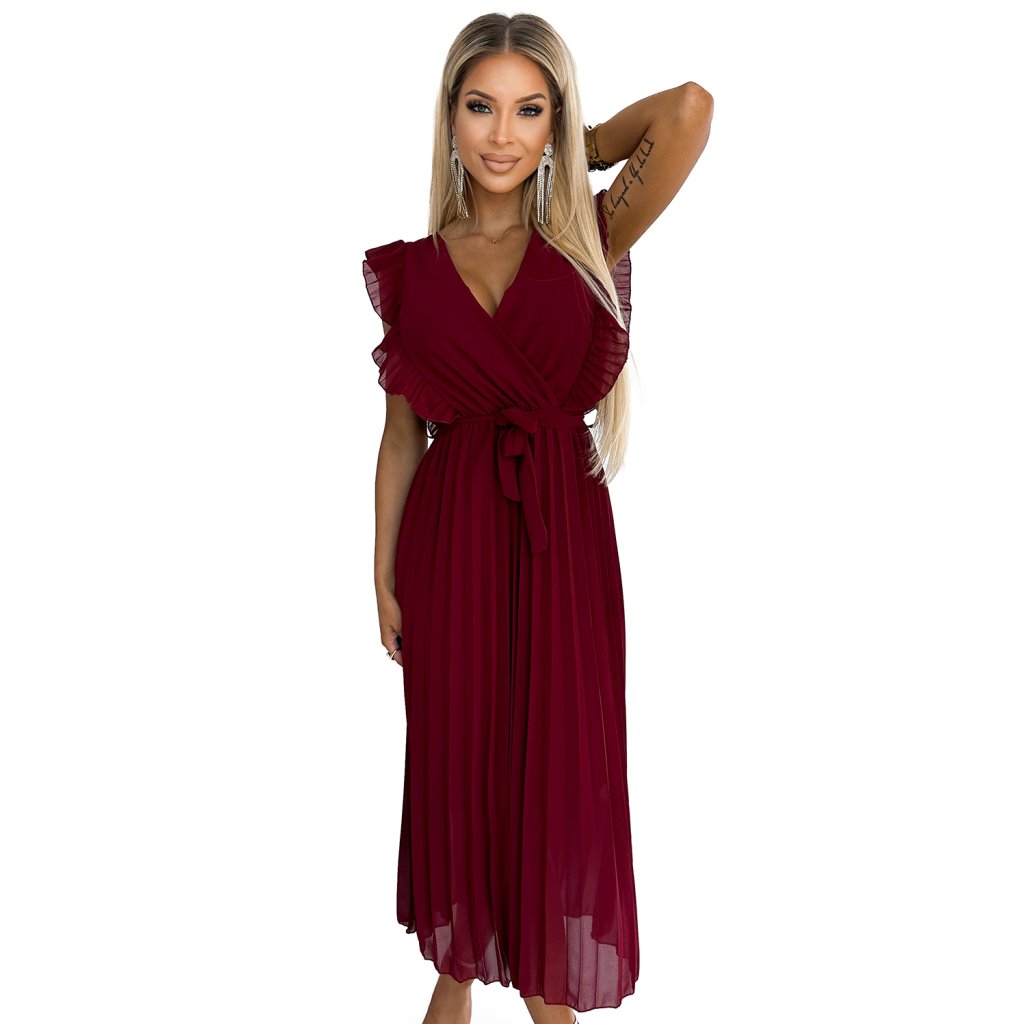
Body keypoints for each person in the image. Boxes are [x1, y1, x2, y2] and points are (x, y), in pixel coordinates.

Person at [363, 13, 713, 1023]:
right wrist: (380, 575)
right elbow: (401, 437)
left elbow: (689, 111)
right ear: (449, 116)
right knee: (462, 780)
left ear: (556, 120)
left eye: (529, 111)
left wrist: (576, 142)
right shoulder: (412, 271)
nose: (502, 135)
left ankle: (504, 986)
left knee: (556, 785)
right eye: (481, 107)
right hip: (449, 549)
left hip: (561, 546)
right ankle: (462, 973)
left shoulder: (589, 236)